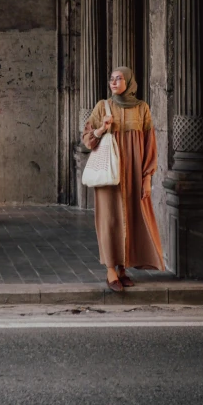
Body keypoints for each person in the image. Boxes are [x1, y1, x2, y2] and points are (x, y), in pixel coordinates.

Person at [82, 66, 164, 292]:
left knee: (131, 218)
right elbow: (87, 140)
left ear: (129, 82)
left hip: (135, 174)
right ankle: (110, 270)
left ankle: (123, 268)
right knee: (110, 220)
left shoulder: (142, 109)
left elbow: (150, 145)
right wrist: (101, 129)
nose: (114, 82)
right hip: (110, 175)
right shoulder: (103, 107)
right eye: (111, 79)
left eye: (119, 79)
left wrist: (147, 177)